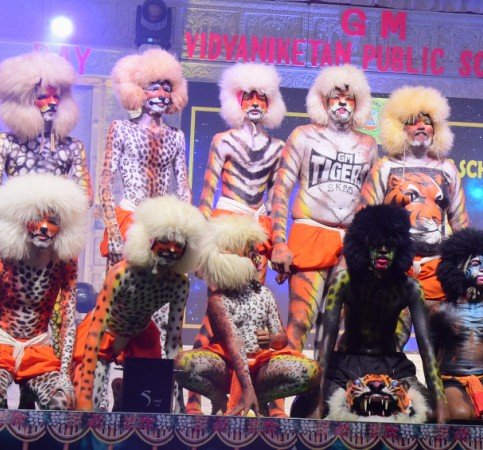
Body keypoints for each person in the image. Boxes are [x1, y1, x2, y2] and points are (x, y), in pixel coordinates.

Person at [188, 62, 288, 416]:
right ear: (238, 100)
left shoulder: (278, 148)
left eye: (262, 97)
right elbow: (207, 191)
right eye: (249, 96)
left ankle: (255, 398)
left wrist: (279, 242)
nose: (255, 103)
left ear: (271, 103)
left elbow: (277, 201)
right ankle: (196, 398)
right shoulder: (223, 140)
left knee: (252, 315)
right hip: (226, 228)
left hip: (256, 234)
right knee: (217, 313)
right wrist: (198, 245)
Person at [267, 65, 377, 353]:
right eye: (335, 96)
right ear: (324, 100)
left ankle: (323, 383)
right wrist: (278, 242)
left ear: (358, 103)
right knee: (299, 323)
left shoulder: (368, 145)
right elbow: (280, 190)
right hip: (310, 232)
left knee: (333, 328)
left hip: (350, 240)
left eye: (348, 97)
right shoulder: (303, 135)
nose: (342, 102)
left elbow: (369, 202)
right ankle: (286, 379)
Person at [0, 174, 87, 409]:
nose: (44, 227)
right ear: (20, 221)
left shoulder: (65, 264)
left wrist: (64, 375)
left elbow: (68, 323)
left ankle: (30, 400)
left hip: (39, 349)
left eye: (52, 221)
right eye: (36, 219)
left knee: (61, 403)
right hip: (0, 346)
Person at [175, 215, 319, 416]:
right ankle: (221, 398)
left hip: (260, 364)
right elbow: (234, 343)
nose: (256, 258)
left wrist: (272, 339)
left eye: (254, 253)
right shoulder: (218, 299)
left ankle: (258, 399)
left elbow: (281, 340)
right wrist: (244, 387)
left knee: (311, 371)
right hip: (227, 364)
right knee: (182, 365)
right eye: (247, 253)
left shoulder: (264, 294)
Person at [313, 205, 445, 423]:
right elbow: (327, 342)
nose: (383, 251)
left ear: (400, 248)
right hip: (346, 364)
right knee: (321, 408)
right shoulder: (344, 281)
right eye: (377, 244)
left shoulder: (410, 287)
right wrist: (317, 400)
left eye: (389, 245)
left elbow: (426, 348)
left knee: (428, 412)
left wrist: (440, 404)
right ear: (363, 246)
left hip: (392, 365)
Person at [73, 196, 204, 411]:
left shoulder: (179, 283)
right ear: (149, 240)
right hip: (105, 333)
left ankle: (122, 391)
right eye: (165, 241)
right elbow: (96, 330)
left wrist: (179, 406)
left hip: (141, 337)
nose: (172, 250)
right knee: (92, 407)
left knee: (145, 407)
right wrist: (85, 395)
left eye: (179, 245)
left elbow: (173, 341)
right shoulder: (121, 274)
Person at [361, 85, 467, 304]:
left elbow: (459, 220)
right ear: (399, 128)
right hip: (393, 268)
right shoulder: (385, 167)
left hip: (436, 268)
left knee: (433, 325)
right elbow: (365, 218)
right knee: (391, 325)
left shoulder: (448, 168)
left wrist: (462, 264)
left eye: (427, 122)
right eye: (413, 121)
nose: (421, 126)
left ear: (436, 129)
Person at [100, 49, 190, 266]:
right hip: (129, 216)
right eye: (154, 88)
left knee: (158, 285)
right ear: (139, 91)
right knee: (120, 283)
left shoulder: (176, 136)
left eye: (167, 88)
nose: (161, 94)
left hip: (160, 227)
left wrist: (182, 230)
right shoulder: (121, 129)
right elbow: (105, 184)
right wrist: (113, 231)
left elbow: (183, 188)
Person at [429, 228, 483, 424]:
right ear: (459, 267)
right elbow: (430, 355)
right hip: (451, 380)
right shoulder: (441, 311)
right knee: (460, 414)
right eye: (476, 264)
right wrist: (437, 389)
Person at [0, 51, 92, 204]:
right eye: (43, 97)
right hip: (18, 218)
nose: (52, 102)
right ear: (23, 102)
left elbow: (87, 197)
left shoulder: (73, 146)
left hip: (56, 218)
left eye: (56, 97)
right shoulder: (4, 142)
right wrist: (31, 204)